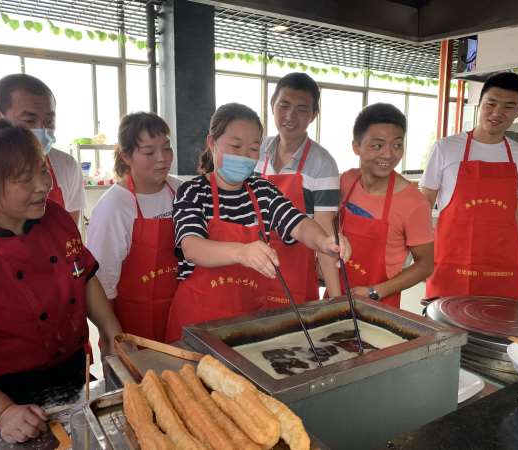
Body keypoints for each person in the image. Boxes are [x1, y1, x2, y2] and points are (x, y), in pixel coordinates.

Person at [0, 120, 123, 449]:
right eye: (22, 179)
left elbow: (83, 277)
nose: (41, 185)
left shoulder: (56, 219)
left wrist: (110, 330)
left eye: (42, 171)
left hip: (70, 375)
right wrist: (3, 413)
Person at [166, 103, 351, 342]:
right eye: (235, 146)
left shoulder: (262, 190)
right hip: (198, 323)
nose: (244, 156)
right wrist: (241, 252)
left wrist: (324, 241)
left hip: (248, 322)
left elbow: (298, 223)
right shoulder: (192, 192)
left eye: (253, 149)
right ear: (212, 143)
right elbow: (192, 247)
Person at [420, 72, 518, 299]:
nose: (497, 112)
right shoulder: (446, 148)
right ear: (479, 103)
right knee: (447, 332)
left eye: (509, 106)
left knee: (497, 331)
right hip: (451, 263)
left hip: (501, 269)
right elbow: (424, 202)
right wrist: (421, 258)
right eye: (491, 103)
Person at [86, 112, 182, 341]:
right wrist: (111, 336)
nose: (162, 158)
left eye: (167, 148)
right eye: (149, 152)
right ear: (126, 156)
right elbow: (100, 284)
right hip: (132, 329)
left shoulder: (181, 191)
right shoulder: (114, 207)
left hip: (180, 317)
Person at [254, 73, 341, 308]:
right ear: (272, 104)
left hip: (295, 274)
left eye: (302, 109)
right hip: (251, 268)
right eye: (284, 105)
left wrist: (336, 302)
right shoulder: (256, 151)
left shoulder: (323, 164)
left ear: (314, 115)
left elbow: (324, 235)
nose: (290, 116)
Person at [337, 103, 434, 308]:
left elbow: (425, 265)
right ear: (356, 146)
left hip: (379, 305)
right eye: (377, 145)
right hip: (336, 295)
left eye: (397, 145)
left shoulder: (413, 203)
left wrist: (375, 292)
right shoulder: (345, 182)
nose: (389, 155)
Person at [0, 73, 86, 224]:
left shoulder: (67, 166)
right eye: (29, 120)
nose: (42, 129)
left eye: (49, 121)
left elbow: (70, 233)